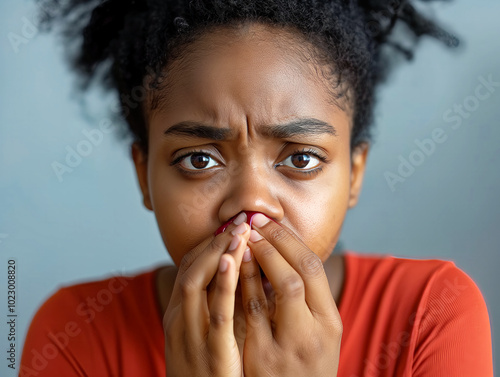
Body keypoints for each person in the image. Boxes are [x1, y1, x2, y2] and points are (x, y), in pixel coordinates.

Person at [20, 0, 493, 376]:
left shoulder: (430, 313)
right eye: (199, 159)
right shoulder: (73, 333)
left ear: (355, 173)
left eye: (301, 159)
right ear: (144, 176)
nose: (251, 202)